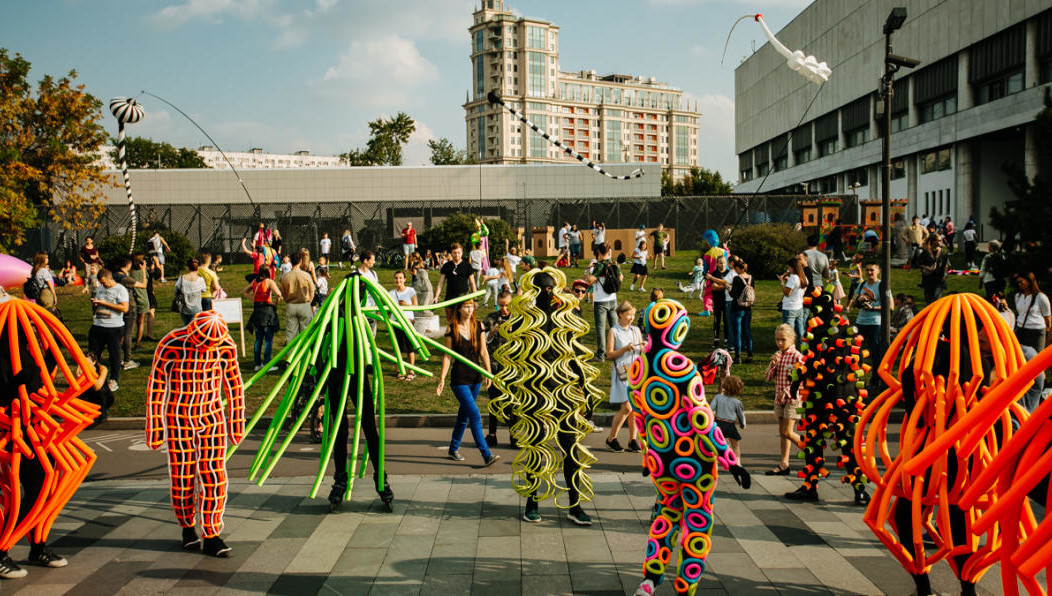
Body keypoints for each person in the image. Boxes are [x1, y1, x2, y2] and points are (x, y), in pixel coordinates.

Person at [146, 311, 244, 559]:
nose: (206, 349)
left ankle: (211, 534)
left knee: (214, 474)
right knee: (183, 474)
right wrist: (156, 426)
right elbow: (156, 384)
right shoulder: (172, 343)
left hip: (212, 413)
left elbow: (233, 383)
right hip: (179, 415)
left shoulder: (225, 344)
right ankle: (188, 528)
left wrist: (236, 421)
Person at [436, 299, 500, 467]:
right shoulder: (452, 329)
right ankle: (486, 455)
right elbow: (447, 355)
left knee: (463, 416)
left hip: (475, 378)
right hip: (459, 380)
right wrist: (442, 378)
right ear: (459, 308)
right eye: (466, 306)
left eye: (472, 306)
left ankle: (453, 448)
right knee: (475, 415)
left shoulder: (479, 326)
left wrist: (488, 372)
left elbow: (483, 351)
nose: (470, 309)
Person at [764, 324, 804, 476]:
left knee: (787, 431)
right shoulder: (778, 355)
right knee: (782, 432)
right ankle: (784, 463)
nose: (780, 343)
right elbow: (768, 377)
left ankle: (809, 450)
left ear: (791, 339)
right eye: (777, 340)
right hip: (779, 398)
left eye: (783, 340)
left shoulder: (797, 356)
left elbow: (802, 379)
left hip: (793, 398)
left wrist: (787, 391)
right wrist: (773, 364)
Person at [604, 300, 642, 453]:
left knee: (635, 408)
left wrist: (643, 346)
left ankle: (633, 440)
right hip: (622, 370)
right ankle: (611, 438)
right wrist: (626, 349)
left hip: (637, 370)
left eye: (632, 315)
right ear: (620, 315)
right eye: (628, 315)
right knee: (626, 407)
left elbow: (641, 348)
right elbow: (609, 354)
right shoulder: (614, 331)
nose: (631, 318)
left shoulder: (635, 330)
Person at [89, 269, 129, 392]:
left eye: (104, 282)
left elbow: (124, 308)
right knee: (93, 354)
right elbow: (99, 303)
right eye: (101, 283)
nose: (103, 285)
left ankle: (114, 379)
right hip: (98, 325)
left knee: (114, 354)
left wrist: (104, 303)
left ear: (110, 279)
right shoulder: (101, 289)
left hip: (114, 327)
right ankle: (93, 378)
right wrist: (95, 304)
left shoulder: (120, 290)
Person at [483, 290, 514, 447]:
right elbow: (483, 342)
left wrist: (512, 333)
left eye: (507, 305)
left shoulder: (517, 319)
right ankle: (492, 434)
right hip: (494, 365)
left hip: (512, 366)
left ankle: (513, 434)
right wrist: (492, 332)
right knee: (494, 401)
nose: (504, 309)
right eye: (501, 305)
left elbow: (524, 341)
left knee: (511, 402)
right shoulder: (491, 318)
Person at [584, 242, 621, 362]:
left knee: (600, 328)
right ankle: (617, 350)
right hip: (613, 299)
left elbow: (590, 280)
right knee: (615, 327)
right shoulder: (613, 263)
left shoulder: (598, 265)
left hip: (600, 301)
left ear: (599, 252)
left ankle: (601, 354)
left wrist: (589, 269)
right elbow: (621, 278)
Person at [244, 265, 283, 372]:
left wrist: (253, 299)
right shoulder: (269, 282)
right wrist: (275, 303)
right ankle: (267, 363)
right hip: (267, 311)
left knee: (258, 339)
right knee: (268, 340)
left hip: (257, 311)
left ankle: (257, 364)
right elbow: (279, 294)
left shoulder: (254, 282)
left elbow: (245, 291)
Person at [113, 257, 144, 369]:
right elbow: (143, 285)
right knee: (128, 334)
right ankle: (127, 360)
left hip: (118, 305)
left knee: (120, 334)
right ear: (127, 265)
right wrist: (144, 270)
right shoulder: (124, 278)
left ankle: (117, 358)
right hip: (129, 305)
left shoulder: (114, 276)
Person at [432, 243, 476, 320]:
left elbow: (472, 283)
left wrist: (474, 297)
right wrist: (436, 296)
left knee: (463, 320)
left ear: (462, 253)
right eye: (454, 253)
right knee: (451, 321)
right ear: (451, 254)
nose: (457, 255)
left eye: (459, 253)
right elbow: (440, 283)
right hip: (450, 297)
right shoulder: (447, 266)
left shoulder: (467, 265)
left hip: (463, 297)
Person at [851, 261, 883, 365]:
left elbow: (890, 307)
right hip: (860, 322)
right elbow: (853, 304)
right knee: (854, 350)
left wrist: (872, 308)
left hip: (875, 323)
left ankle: (876, 378)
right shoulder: (862, 284)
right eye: (867, 270)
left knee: (876, 352)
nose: (869, 272)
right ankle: (855, 374)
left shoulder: (881, 285)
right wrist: (859, 300)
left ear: (878, 271)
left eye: (872, 270)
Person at [389, 270, 418, 379]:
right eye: (396, 278)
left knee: (409, 347)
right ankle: (399, 370)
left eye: (400, 278)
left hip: (407, 321)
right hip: (395, 322)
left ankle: (411, 371)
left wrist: (406, 305)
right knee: (397, 348)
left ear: (405, 279)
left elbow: (416, 306)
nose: (398, 280)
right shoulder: (390, 293)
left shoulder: (410, 291)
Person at [281, 249, 315, 342]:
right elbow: (312, 290)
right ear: (300, 261)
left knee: (291, 334)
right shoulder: (306, 275)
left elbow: (283, 292)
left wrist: (287, 299)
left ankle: (292, 354)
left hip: (291, 305)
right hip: (304, 304)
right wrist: (309, 300)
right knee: (306, 332)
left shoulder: (286, 276)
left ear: (291, 262)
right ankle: (305, 353)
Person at [709, 375, 746, 460]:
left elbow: (711, 408)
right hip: (730, 425)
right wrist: (742, 424)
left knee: (717, 443)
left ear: (724, 386)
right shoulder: (737, 402)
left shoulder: (718, 397)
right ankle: (737, 461)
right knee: (735, 444)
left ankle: (716, 461)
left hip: (718, 423)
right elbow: (741, 415)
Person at [1013, 271, 1051, 352]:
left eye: (1021, 282)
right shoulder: (1018, 296)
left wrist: (1047, 330)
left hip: (1036, 331)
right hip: (1021, 329)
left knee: (1036, 356)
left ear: (1029, 281)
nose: (1019, 284)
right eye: (1018, 282)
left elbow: (1047, 316)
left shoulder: (1040, 297)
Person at [728, 257, 754, 363]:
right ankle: (750, 355)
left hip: (737, 308)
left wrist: (728, 288)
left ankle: (738, 356)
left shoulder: (737, 279)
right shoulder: (751, 278)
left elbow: (733, 294)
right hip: (748, 308)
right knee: (747, 331)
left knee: (737, 332)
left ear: (738, 268)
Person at [706, 255, 732, 348]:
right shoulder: (714, 273)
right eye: (720, 263)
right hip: (717, 300)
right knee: (717, 320)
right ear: (717, 263)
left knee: (727, 320)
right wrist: (725, 285)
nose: (723, 264)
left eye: (724, 263)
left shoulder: (729, 273)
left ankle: (726, 339)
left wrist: (723, 284)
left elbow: (729, 286)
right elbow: (714, 287)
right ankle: (716, 339)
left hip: (727, 301)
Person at [175, 258, 207, 326]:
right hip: (197, 308)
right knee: (195, 327)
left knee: (187, 326)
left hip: (184, 308)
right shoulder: (200, 280)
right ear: (197, 268)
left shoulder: (181, 278)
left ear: (187, 267)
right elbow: (204, 290)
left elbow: (176, 291)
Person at [918, 235, 948, 304]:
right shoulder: (926, 252)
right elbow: (920, 263)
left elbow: (946, 264)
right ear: (933, 241)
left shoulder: (943, 252)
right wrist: (928, 268)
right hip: (928, 279)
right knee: (928, 300)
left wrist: (945, 275)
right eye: (939, 240)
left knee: (937, 297)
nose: (940, 242)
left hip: (939, 279)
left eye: (941, 240)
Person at [131, 255, 150, 349]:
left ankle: (124, 341)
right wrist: (144, 270)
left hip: (132, 299)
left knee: (130, 322)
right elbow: (146, 282)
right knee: (141, 322)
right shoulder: (143, 273)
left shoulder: (130, 273)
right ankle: (137, 343)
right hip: (142, 299)